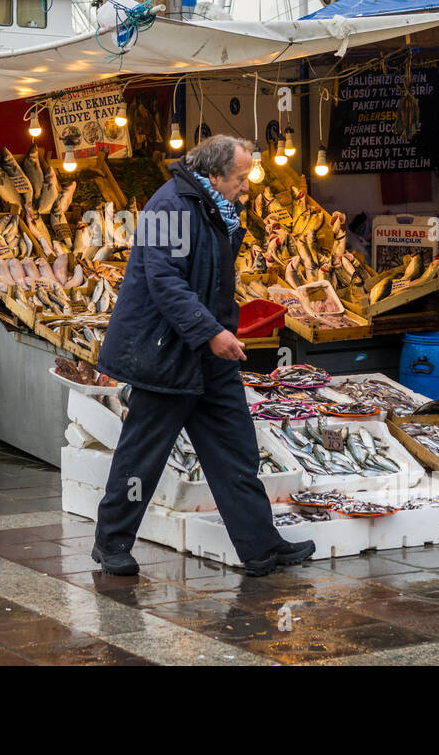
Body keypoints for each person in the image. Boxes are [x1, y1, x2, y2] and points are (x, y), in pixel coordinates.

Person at [92, 135, 315, 577]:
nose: (247, 187)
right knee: (142, 455)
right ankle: (110, 543)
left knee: (235, 449)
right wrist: (210, 331)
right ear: (213, 174)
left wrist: (219, 332)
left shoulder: (217, 208)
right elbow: (165, 281)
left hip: (210, 355)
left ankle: (260, 547)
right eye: (240, 178)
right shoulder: (168, 206)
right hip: (164, 353)